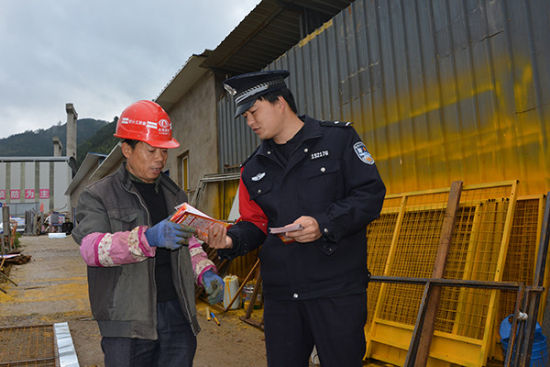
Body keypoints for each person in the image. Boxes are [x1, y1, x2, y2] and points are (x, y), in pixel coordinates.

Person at [207, 70, 386, 367]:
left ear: (279, 102)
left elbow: (370, 196)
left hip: (337, 290)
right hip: (282, 298)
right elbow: (254, 224)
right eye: (246, 116)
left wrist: (324, 223)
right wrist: (228, 239)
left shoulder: (338, 140)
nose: (250, 122)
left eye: (254, 111)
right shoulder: (252, 169)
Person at [72, 100, 224, 367]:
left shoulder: (173, 193)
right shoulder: (97, 196)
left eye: (164, 151)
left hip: (177, 314)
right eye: (151, 150)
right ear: (126, 149)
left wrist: (205, 272)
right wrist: (146, 239)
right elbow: (92, 249)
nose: (160, 159)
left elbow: (189, 243)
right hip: (127, 323)